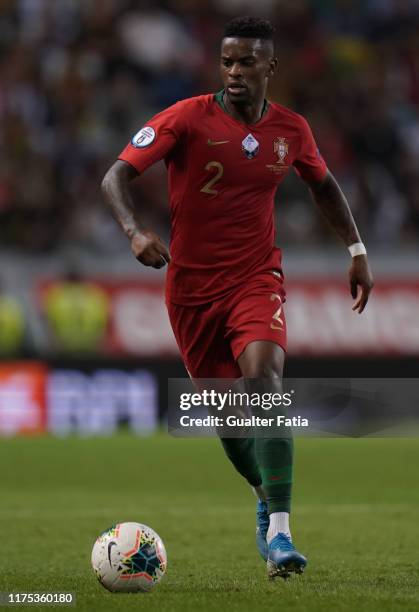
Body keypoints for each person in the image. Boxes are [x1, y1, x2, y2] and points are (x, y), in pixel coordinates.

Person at [101, 16, 373, 580]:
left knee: (264, 380)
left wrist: (356, 247)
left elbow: (322, 184)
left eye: (247, 61)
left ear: (270, 66)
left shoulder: (291, 129)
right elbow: (115, 178)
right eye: (227, 61)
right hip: (192, 292)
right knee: (229, 421)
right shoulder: (186, 118)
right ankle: (261, 493)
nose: (234, 72)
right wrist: (133, 231)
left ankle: (280, 533)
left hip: (256, 279)